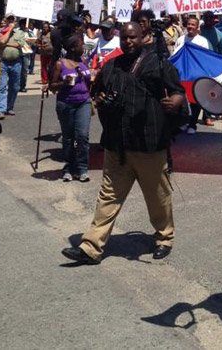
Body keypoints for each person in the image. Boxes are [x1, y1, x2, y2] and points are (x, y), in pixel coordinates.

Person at [61, 22, 185, 263]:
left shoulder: (159, 65)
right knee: (108, 196)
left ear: (143, 38)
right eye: (125, 38)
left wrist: (176, 101)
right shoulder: (112, 66)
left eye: (133, 38)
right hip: (117, 144)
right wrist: (100, 98)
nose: (128, 42)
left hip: (148, 143)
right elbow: (97, 92)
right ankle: (91, 246)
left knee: (158, 196)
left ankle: (164, 237)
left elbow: (178, 91)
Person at [48, 35, 93, 182]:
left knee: (82, 135)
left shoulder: (83, 62)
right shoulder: (60, 64)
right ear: (73, 47)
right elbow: (52, 86)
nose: (83, 47)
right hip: (66, 104)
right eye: (81, 45)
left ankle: (82, 168)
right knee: (68, 137)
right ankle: (68, 167)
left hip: (83, 103)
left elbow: (88, 81)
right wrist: (64, 83)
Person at [173, 16, 211, 134]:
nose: (190, 27)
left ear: (197, 27)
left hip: (196, 75)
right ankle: (184, 122)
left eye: (193, 25)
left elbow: (205, 57)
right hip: (182, 75)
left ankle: (193, 124)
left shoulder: (202, 41)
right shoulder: (180, 39)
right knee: (183, 99)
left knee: (195, 99)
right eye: (189, 24)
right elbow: (175, 55)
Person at [0, 13, 26, 119]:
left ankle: (10, 107)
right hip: (4, 62)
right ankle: (1, 109)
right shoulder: (1, 31)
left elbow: (20, 44)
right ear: (6, 20)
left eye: (12, 19)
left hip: (16, 63)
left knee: (15, 86)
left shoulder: (20, 32)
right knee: (2, 86)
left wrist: (6, 44)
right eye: (9, 19)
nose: (11, 20)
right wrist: (9, 30)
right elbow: (1, 42)